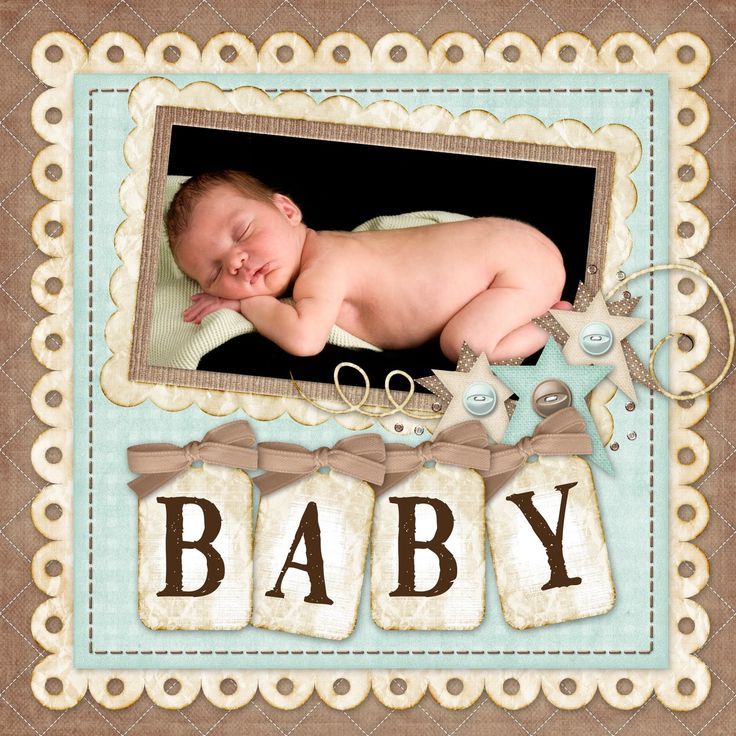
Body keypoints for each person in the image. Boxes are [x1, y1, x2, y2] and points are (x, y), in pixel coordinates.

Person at [166, 170, 571, 362]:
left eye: (242, 232)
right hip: (513, 242)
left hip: (515, 270)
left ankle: (560, 322)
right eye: (215, 272)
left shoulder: (324, 268)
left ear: (287, 210)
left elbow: (305, 340)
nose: (236, 261)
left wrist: (247, 305)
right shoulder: (330, 246)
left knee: (466, 346)